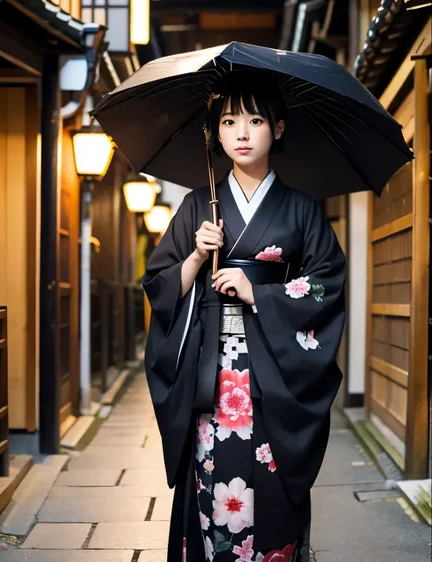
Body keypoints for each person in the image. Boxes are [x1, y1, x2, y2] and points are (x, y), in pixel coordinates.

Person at [142, 69, 346, 562]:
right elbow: (158, 284)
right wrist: (194, 256)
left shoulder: (301, 209)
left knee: (274, 473)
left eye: (255, 120)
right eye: (229, 120)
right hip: (211, 368)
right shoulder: (197, 206)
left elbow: (327, 281)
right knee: (211, 475)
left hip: (273, 370)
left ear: (277, 129)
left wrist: (260, 293)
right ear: (216, 132)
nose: (241, 132)